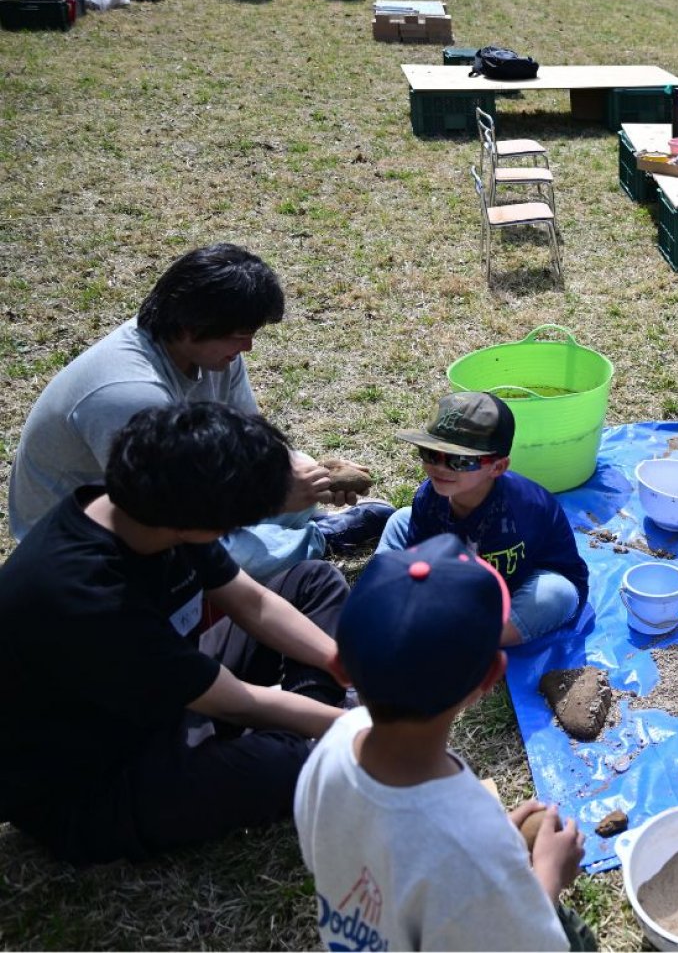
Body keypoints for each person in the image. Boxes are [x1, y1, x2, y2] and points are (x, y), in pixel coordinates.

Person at [0, 402, 350, 865]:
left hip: (165, 695)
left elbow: (253, 602)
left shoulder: (150, 501)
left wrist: (343, 666)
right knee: (292, 765)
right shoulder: (83, 594)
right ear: (191, 523)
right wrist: (366, 729)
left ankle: (313, 723)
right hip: (94, 782)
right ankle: (313, 739)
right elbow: (237, 700)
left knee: (313, 582)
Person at [6, 243, 393, 580]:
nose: (248, 347)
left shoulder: (212, 353)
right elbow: (168, 511)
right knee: (233, 556)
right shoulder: (128, 394)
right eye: (240, 335)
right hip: (102, 537)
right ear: (193, 326)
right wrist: (274, 498)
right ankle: (319, 537)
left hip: (180, 490)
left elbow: (249, 438)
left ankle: (300, 522)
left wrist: (306, 477)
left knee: (300, 467)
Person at [294, 533, 594, 951]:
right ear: (490, 678)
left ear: (340, 667)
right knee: (577, 940)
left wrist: (494, 849)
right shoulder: (470, 837)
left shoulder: (329, 749)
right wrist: (548, 874)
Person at [377, 391, 589, 646]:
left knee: (555, 595)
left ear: (497, 467)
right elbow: (422, 562)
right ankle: (381, 596)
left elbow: (493, 590)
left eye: (460, 460)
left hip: (523, 578)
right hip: (464, 564)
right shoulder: (429, 496)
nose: (440, 468)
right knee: (400, 518)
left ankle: (471, 640)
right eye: (430, 453)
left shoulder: (518, 513)